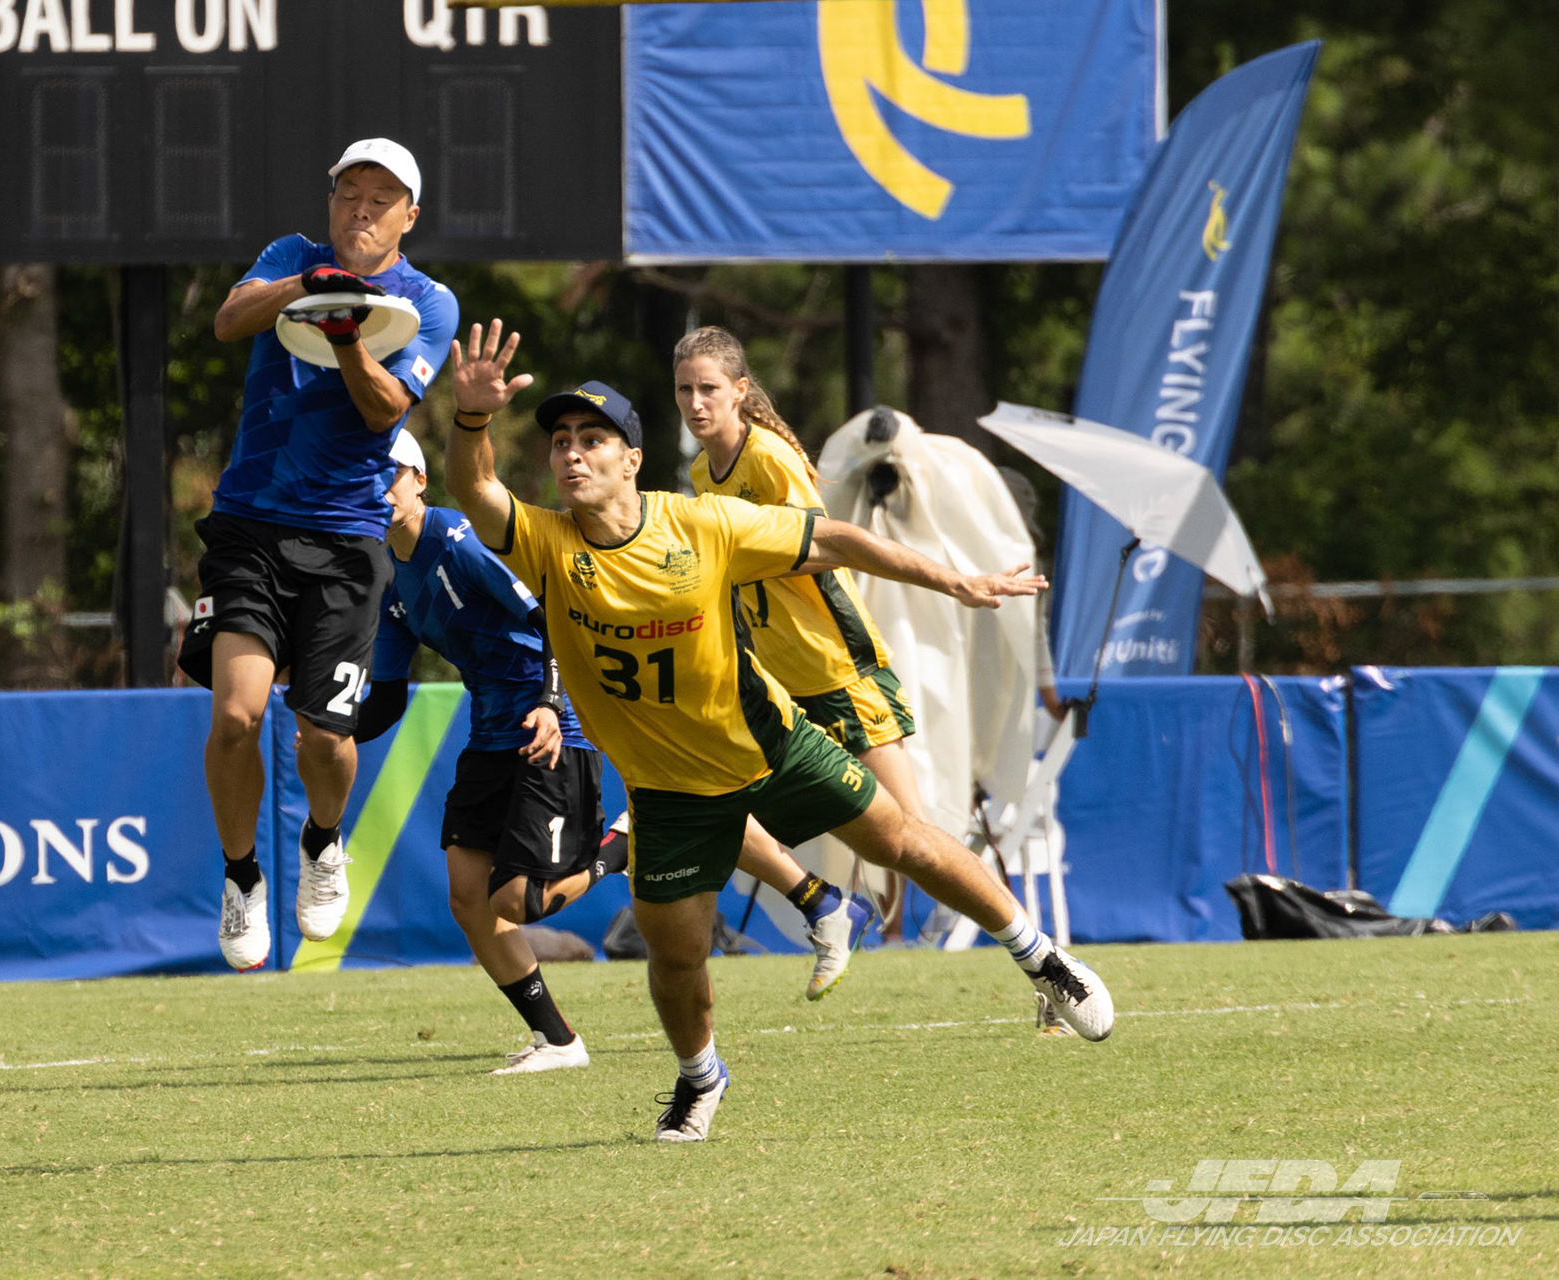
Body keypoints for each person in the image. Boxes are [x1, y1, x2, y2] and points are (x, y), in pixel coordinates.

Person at [444, 321, 1115, 1143]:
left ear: (632, 459)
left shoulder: (703, 523)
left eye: (593, 439)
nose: (572, 454)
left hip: (771, 746)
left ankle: (1044, 960)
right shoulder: (547, 544)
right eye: (560, 442)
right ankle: (701, 1078)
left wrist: (956, 581)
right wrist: (472, 417)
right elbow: (475, 488)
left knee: (902, 840)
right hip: (668, 791)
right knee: (676, 956)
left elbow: (832, 539)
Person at [179, 138, 460, 971]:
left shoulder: (428, 302)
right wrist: (310, 287)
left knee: (324, 738)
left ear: (410, 216)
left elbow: (384, 411)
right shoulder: (288, 255)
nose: (361, 210)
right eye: (349, 194)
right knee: (236, 716)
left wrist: (345, 334)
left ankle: (322, 840)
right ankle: (241, 877)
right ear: (331, 200)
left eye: (381, 199)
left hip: (346, 541)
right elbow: (229, 320)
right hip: (249, 524)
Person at [357, 431, 615, 1073]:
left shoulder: (457, 539)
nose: (379, 488)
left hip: (552, 723)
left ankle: (620, 851)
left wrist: (551, 704)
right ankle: (560, 1043)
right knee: (469, 898)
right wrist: (332, 728)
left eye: (391, 474)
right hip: (489, 733)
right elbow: (385, 699)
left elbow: (553, 615)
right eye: (367, 475)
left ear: (420, 480)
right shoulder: (389, 578)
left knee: (518, 901)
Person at [675, 326, 930, 948]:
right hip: (776, 677)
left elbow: (818, 547)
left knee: (911, 835)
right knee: (720, 803)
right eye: (684, 390)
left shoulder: (767, 457)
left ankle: (968, 945)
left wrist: (732, 559)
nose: (695, 403)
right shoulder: (702, 471)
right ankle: (829, 908)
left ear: (739, 390)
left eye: (708, 388)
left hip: (836, 665)